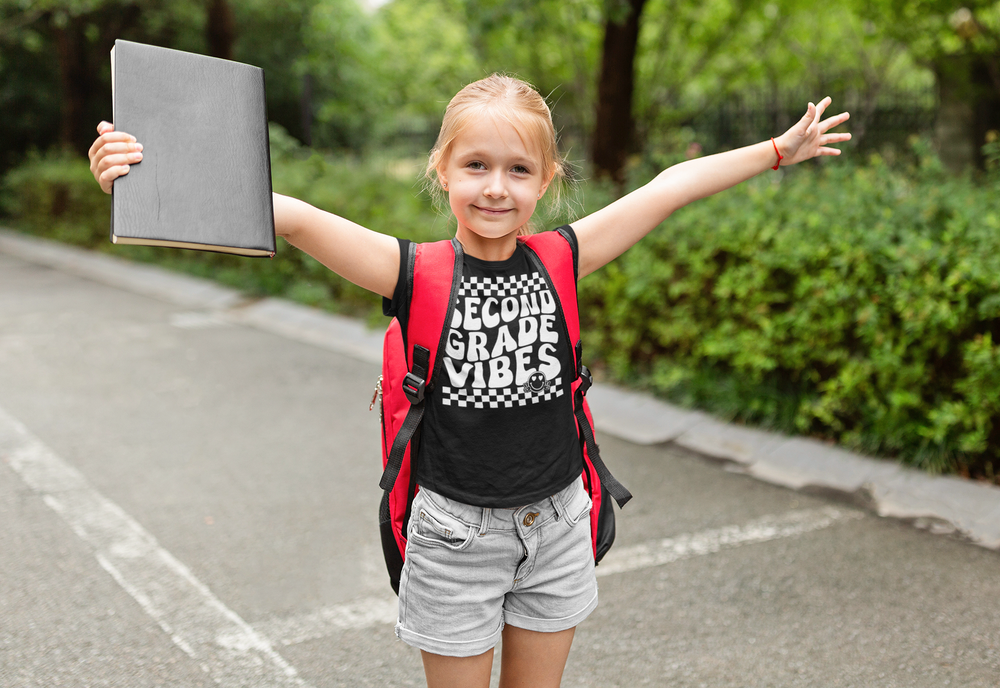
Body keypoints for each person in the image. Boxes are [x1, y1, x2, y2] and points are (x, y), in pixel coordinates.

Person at [88, 74, 850, 688]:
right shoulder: (411, 272)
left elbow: (669, 187)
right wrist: (140, 175)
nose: (496, 188)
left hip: (556, 525)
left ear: (547, 180)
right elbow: (286, 214)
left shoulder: (562, 258)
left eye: (519, 170)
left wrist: (777, 152)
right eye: (476, 166)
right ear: (442, 171)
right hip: (454, 536)